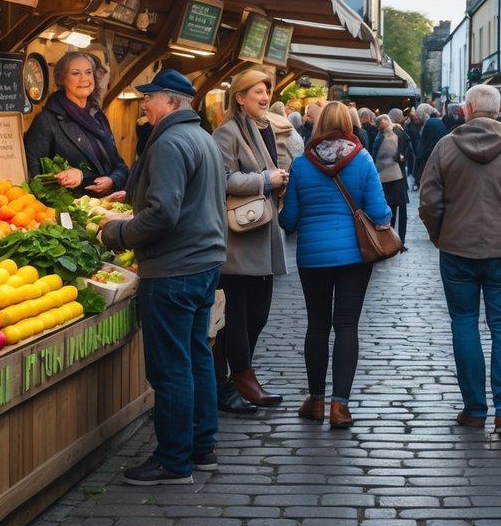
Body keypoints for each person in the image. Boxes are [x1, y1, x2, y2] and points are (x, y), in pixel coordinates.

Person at [98, 69, 225, 485]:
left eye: (149, 99)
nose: (144, 106)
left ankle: (173, 460)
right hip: (203, 264)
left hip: (173, 269)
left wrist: (118, 232)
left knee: (170, 369)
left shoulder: (169, 142)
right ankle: (201, 447)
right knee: (197, 357)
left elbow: (165, 212)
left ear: (171, 102)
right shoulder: (202, 137)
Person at [419, 85, 501, 439]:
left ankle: (475, 409)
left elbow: (429, 202)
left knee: (464, 323)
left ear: (468, 109)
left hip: (457, 248)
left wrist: (439, 234)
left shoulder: (445, 146)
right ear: (499, 109)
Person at [278, 101, 390, 428]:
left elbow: (290, 220)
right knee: (346, 326)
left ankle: (315, 400)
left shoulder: (301, 165)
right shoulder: (364, 160)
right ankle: (340, 407)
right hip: (355, 256)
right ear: (349, 124)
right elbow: (381, 213)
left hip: (312, 257)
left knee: (317, 325)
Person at [212, 69, 288, 408]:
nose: (264, 96)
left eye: (266, 91)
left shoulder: (264, 128)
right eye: (257, 91)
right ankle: (240, 377)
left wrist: (278, 178)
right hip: (238, 240)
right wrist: (266, 179)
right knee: (238, 315)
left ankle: (232, 378)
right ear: (239, 97)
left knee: (258, 314)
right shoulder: (226, 133)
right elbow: (223, 179)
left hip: (262, 232)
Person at [24, 51, 128, 194]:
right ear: (62, 79)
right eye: (75, 73)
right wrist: (81, 176)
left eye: (88, 72)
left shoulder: (98, 116)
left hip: (107, 207)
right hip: (71, 212)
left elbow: (119, 164)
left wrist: (112, 181)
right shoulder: (47, 121)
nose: (84, 78)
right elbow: (35, 180)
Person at [373, 113, 411, 249]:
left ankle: (389, 240)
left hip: (383, 177)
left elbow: (376, 157)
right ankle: (399, 241)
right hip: (397, 176)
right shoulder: (398, 134)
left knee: (389, 210)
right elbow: (406, 153)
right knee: (399, 210)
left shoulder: (380, 137)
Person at [415, 103, 447, 183]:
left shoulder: (430, 124)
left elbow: (428, 147)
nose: (418, 118)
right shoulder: (438, 122)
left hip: (432, 166)